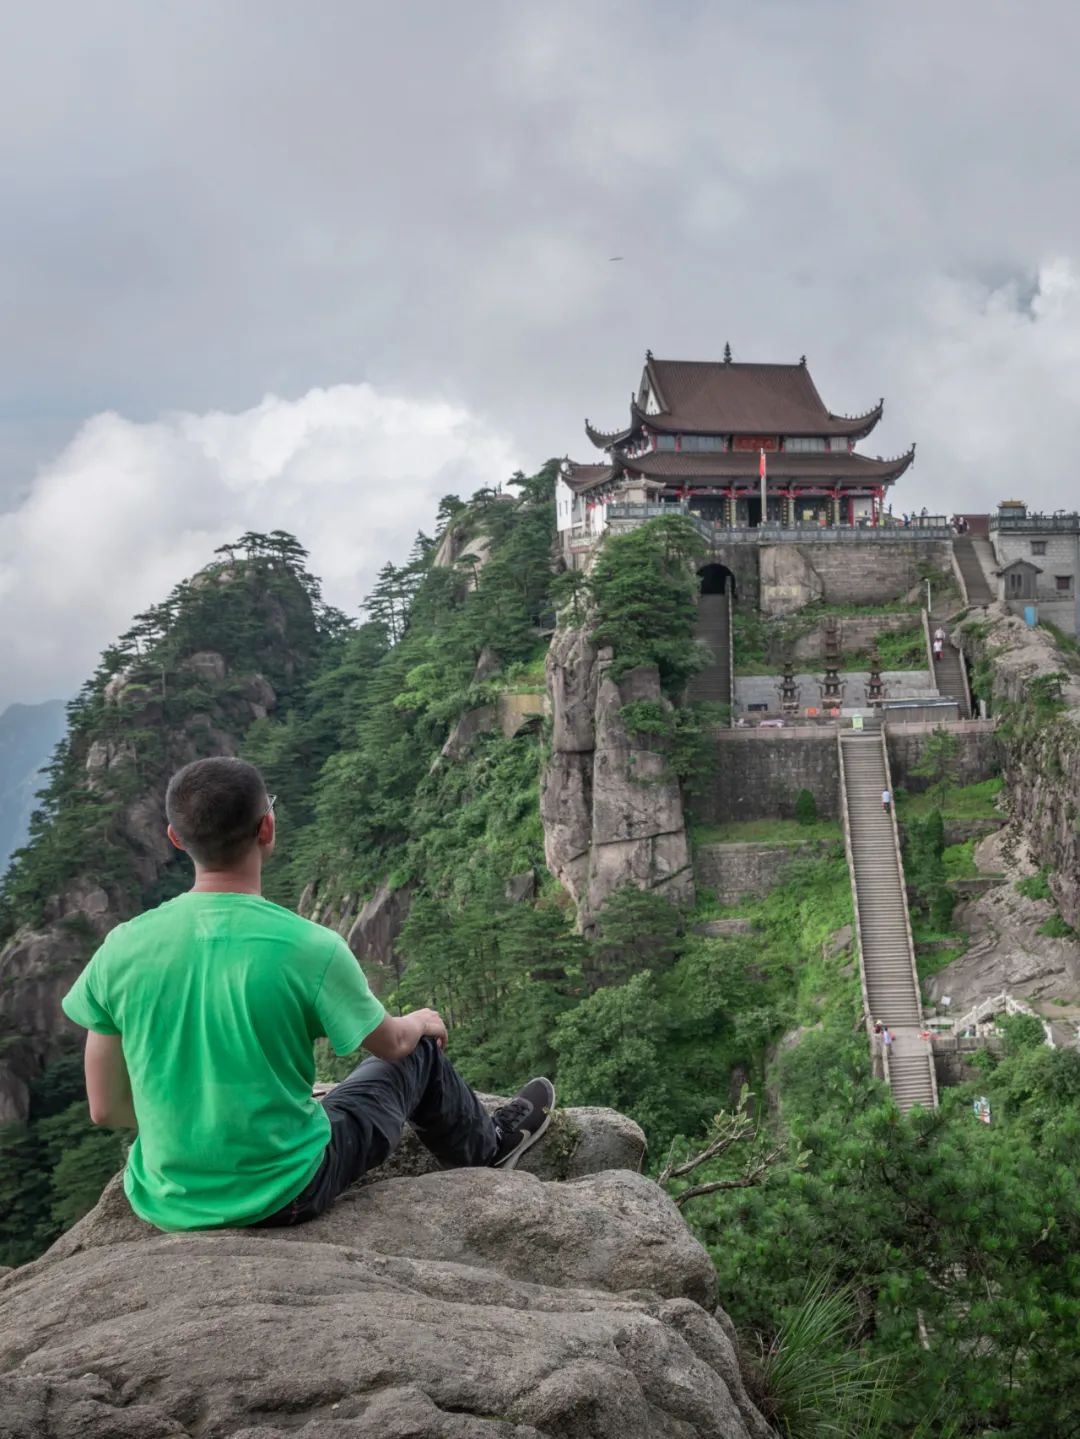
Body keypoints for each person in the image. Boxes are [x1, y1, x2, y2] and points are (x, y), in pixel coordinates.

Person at [61, 757, 555, 1232]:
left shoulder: (121, 948)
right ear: (267, 828)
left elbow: (105, 1108)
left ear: (175, 838)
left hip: (168, 1200)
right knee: (419, 1051)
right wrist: (420, 1021)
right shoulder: (308, 947)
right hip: (289, 1192)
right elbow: (391, 1046)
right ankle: (489, 1148)